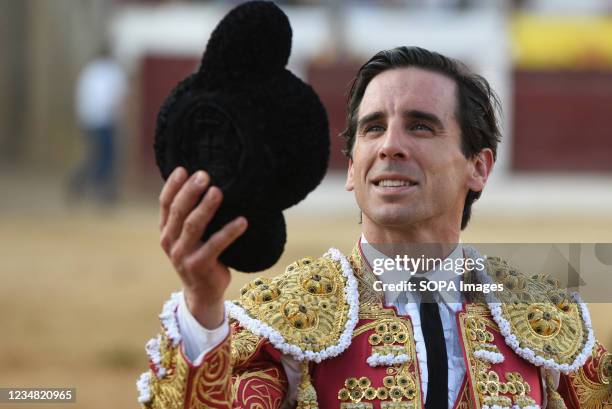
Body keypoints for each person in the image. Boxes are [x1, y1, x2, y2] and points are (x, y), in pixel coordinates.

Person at [137, 47, 611, 409]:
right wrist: (202, 308)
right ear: (351, 168)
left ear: (479, 167)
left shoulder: (545, 319)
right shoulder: (285, 322)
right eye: (373, 128)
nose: (390, 146)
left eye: (420, 126)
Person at [68, 45, 126, 205]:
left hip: (88, 120)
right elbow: (117, 98)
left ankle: (80, 185)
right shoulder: (113, 71)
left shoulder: (89, 71)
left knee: (96, 156)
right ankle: (101, 190)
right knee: (105, 157)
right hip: (105, 120)